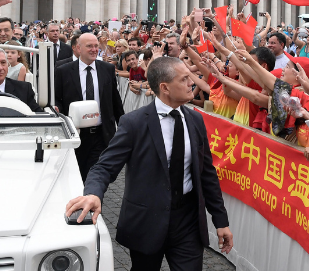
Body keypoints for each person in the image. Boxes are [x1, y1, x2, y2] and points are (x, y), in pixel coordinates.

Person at [64, 56, 233, 271]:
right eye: (184, 79)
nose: (193, 82)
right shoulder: (134, 123)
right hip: (146, 221)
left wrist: (221, 220)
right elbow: (105, 166)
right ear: (165, 88)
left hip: (188, 221)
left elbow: (206, 173)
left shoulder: (195, 120)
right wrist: (94, 193)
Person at [55, 33, 124, 180]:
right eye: (89, 46)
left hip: (101, 134)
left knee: (96, 175)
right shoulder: (63, 70)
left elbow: (115, 100)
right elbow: (57, 98)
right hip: (75, 134)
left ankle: (93, 200)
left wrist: (123, 127)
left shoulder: (107, 69)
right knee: (76, 175)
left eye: (96, 46)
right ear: (78, 48)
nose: (94, 49)